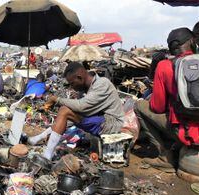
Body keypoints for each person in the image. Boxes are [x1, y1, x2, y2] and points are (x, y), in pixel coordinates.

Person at [134, 27, 199, 172]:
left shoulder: (164, 66)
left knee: (139, 106)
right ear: (191, 41)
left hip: (185, 131)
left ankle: (165, 156)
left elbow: (157, 107)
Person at [29, 62, 124, 160]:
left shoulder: (102, 84)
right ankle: (39, 138)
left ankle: (47, 155)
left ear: (79, 77)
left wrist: (56, 99)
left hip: (111, 124)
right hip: (101, 120)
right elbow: (73, 115)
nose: (72, 87)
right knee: (65, 114)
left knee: (65, 110)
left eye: (72, 84)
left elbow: (81, 106)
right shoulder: (86, 88)